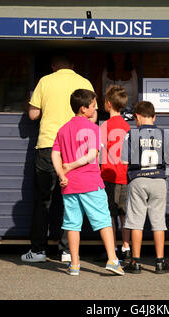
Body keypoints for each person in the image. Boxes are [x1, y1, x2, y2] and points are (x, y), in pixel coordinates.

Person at [21, 55, 95, 263]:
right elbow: (93, 116)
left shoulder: (45, 81)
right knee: (70, 199)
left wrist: (30, 104)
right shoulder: (84, 82)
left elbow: (33, 115)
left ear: (53, 67)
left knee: (43, 200)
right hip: (75, 149)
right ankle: (66, 251)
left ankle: (37, 251)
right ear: (73, 66)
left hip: (47, 146)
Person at [51, 89, 125, 276]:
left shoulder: (63, 129)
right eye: (93, 105)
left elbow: (54, 154)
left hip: (69, 185)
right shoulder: (92, 128)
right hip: (91, 182)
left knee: (72, 225)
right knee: (104, 221)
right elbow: (92, 155)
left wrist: (62, 173)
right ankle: (113, 260)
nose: (95, 108)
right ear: (83, 108)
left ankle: (74, 265)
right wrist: (70, 166)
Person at [121, 101, 169, 274]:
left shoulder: (131, 134)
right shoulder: (164, 134)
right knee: (159, 222)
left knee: (136, 222)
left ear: (136, 117)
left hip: (138, 179)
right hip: (158, 179)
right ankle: (160, 262)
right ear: (154, 117)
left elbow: (124, 161)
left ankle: (136, 262)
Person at [99, 85, 132, 260]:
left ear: (109, 104)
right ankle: (126, 247)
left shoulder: (105, 126)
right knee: (123, 213)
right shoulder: (127, 126)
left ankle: (111, 248)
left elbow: (100, 153)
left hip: (109, 174)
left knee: (109, 213)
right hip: (124, 174)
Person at [96, 52, 138, 122]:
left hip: (130, 116)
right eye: (116, 54)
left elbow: (138, 96)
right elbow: (96, 96)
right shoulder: (104, 73)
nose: (119, 57)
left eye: (122, 54)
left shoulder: (133, 73)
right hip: (108, 116)